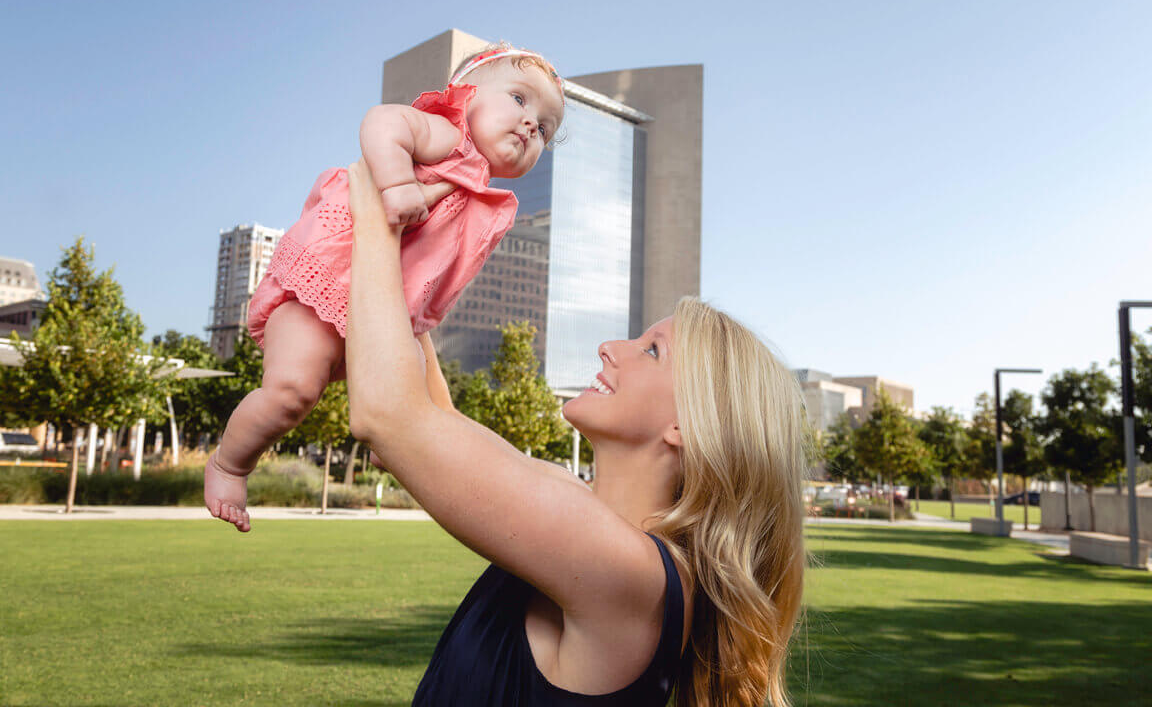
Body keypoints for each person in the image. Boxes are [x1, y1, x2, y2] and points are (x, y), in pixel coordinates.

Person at [343, 160, 809, 706]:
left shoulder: (632, 574)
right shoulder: (573, 506)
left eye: (651, 350)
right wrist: (409, 272)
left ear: (688, 425)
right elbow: (432, 421)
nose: (611, 346)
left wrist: (374, 208)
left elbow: (388, 416)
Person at [206, 44, 566, 532]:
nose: (530, 125)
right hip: (326, 286)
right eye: (520, 100)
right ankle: (230, 464)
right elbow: (382, 122)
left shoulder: (486, 195)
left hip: (384, 318)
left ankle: (396, 451)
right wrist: (397, 184)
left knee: (418, 412)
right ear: (466, 94)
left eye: (545, 128)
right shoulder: (448, 135)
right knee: (291, 391)